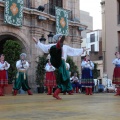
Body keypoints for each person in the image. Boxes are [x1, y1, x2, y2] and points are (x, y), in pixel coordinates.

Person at [33, 34, 89, 100]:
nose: (61, 38)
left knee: (65, 79)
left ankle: (58, 93)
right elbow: (44, 47)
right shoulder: (52, 46)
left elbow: (73, 50)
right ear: (57, 39)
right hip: (57, 63)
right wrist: (37, 42)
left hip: (63, 63)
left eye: (61, 38)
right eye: (59, 38)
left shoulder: (65, 47)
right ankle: (58, 93)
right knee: (64, 78)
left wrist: (83, 50)